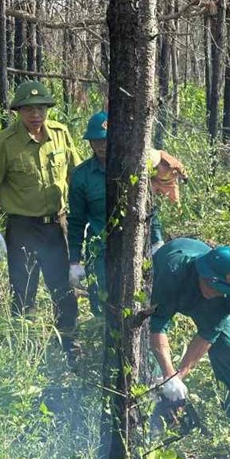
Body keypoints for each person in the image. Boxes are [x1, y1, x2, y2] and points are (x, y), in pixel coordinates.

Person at [0, 81, 82, 358]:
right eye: (28, 109)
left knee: (63, 289)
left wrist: (83, 219)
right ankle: (24, 350)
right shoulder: (4, 142)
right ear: (18, 111)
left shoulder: (61, 135)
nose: (35, 114)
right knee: (23, 290)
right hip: (23, 227)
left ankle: (70, 346)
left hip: (56, 225)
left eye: (40, 108)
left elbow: (77, 175)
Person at [148, 238, 230, 442]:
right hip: (170, 287)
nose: (215, 292)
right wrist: (168, 374)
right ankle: (151, 425)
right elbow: (157, 326)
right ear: (202, 270)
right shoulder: (173, 270)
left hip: (201, 303)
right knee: (149, 356)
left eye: (221, 290)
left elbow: (208, 334)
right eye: (211, 284)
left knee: (228, 356)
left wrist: (179, 377)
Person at [66, 111, 166, 316]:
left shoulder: (132, 169)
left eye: (105, 140)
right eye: (96, 141)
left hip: (134, 247)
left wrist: (156, 241)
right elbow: (76, 220)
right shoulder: (81, 175)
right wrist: (74, 260)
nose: (101, 145)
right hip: (100, 251)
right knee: (102, 306)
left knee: (138, 303)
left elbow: (149, 207)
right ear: (90, 143)